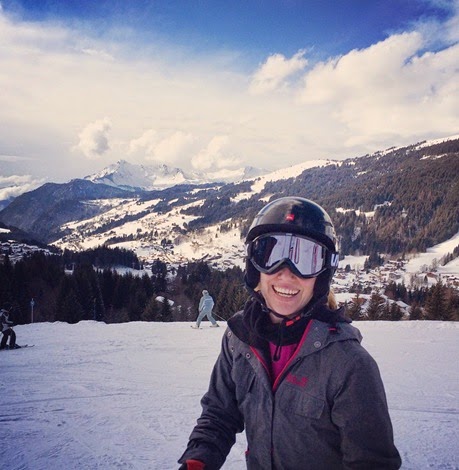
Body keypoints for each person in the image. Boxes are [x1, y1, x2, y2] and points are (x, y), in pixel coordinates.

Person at [179, 197, 401, 469]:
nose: (286, 274)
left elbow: (372, 462)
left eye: (306, 259)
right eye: (270, 254)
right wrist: (198, 460)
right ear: (254, 267)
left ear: (322, 275)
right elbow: (219, 415)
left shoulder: (349, 363)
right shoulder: (239, 337)